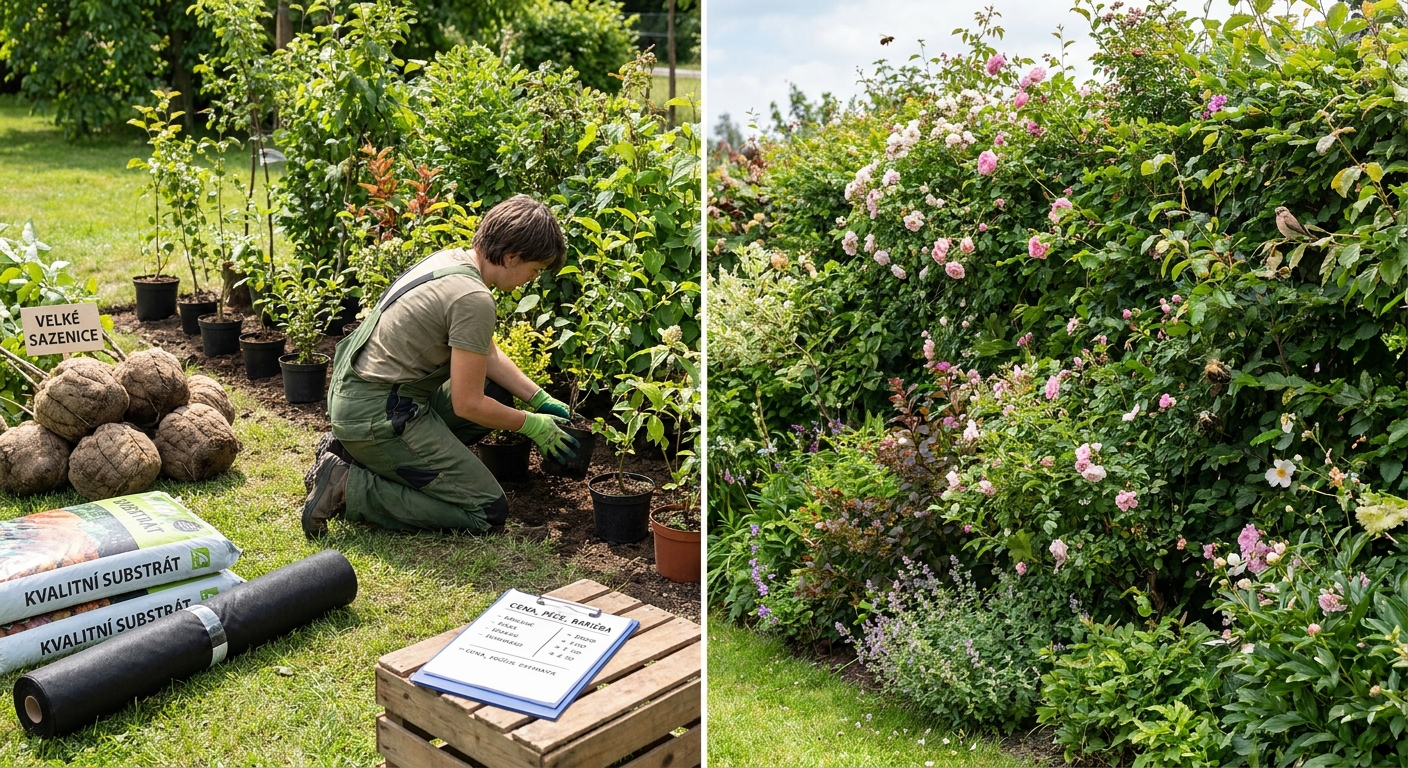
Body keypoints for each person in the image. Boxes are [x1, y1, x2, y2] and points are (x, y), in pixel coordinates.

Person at [301, 194, 579, 538]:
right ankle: (348, 486)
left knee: (498, 391)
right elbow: (468, 403)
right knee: (486, 511)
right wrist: (532, 425)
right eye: (534, 269)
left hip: (363, 398)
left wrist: (539, 398)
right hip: (378, 415)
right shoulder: (473, 299)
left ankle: (353, 455)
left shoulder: (452, 261)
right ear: (511, 257)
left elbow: (487, 356)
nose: (532, 279)